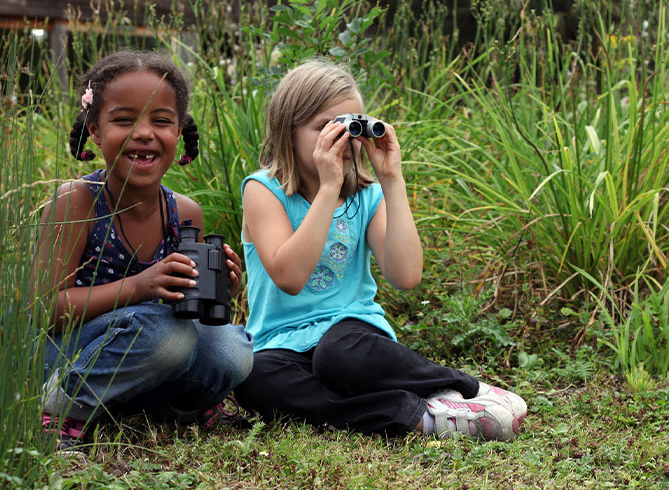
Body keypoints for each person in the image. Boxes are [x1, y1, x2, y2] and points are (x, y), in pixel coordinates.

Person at [235, 59, 526, 441]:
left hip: (349, 336)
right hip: (280, 342)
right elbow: (289, 278)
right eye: (325, 128)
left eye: (349, 126)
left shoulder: (366, 195)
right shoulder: (263, 190)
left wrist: (391, 178)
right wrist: (327, 189)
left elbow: (405, 276)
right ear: (288, 132)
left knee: (337, 356)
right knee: (251, 377)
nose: (340, 139)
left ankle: (467, 388)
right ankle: (420, 415)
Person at [35, 50, 254, 449]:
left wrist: (220, 291)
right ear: (95, 131)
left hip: (149, 353)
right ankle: (63, 407)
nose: (143, 133)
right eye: (123, 120)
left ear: (178, 132)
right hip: (68, 356)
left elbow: (186, 312)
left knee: (232, 348)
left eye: (161, 121)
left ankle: (178, 406)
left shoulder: (183, 211)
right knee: (166, 335)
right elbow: (45, 310)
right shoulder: (78, 202)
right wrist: (140, 286)